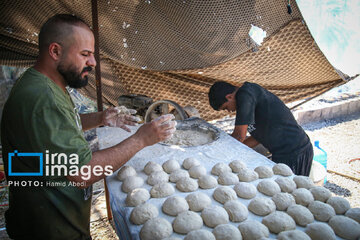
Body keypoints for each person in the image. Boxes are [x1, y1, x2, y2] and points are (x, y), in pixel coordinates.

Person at [1, 14, 176, 240]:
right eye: (85, 54)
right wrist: (141, 139)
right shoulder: (43, 99)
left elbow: (57, 128)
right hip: (51, 228)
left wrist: (101, 118)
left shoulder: (45, 84)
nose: (93, 62)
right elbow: (82, 173)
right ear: (55, 51)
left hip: (52, 220)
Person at [208, 81, 313, 176]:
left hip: (296, 151)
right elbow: (257, 138)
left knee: (292, 191)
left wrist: (220, 152)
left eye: (226, 107)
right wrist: (238, 151)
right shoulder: (249, 98)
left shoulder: (245, 95)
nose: (229, 111)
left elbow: (239, 135)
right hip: (281, 153)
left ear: (229, 97)